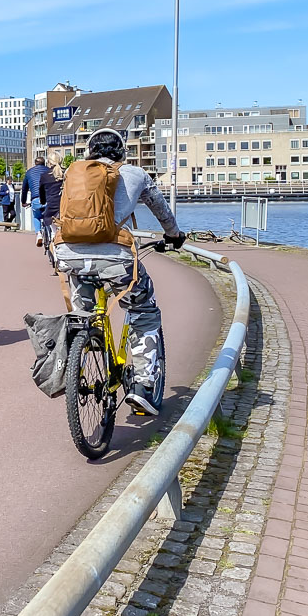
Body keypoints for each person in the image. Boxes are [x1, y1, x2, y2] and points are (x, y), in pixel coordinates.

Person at [53, 128, 186, 417]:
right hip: (115, 258)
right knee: (144, 310)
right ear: (122, 151)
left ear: (89, 152)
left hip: (70, 256)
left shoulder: (75, 173)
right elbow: (161, 210)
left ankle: (76, 361)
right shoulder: (136, 174)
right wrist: (174, 235)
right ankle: (143, 386)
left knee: (82, 316)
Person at [21, 157, 49, 245]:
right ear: (44, 163)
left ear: (35, 163)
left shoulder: (29, 172)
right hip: (48, 198)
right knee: (50, 215)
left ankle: (39, 234)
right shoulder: (49, 170)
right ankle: (52, 234)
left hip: (36, 199)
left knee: (36, 216)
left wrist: (23, 201)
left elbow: (24, 189)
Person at [38, 152, 64, 241]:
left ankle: (53, 236)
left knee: (49, 221)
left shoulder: (44, 176)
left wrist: (42, 201)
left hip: (52, 206)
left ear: (49, 162)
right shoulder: (66, 173)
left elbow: (41, 191)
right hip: (65, 205)